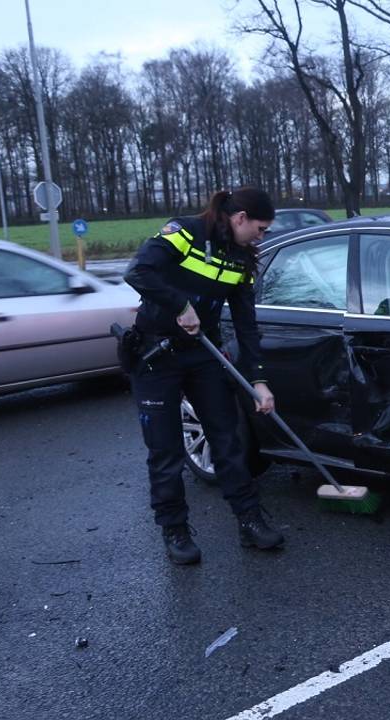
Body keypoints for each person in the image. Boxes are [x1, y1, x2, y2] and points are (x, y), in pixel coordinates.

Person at [123, 187, 283, 565]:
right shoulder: (184, 233)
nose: (261, 237)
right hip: (155, 355)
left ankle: (250, 520)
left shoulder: (242, 258)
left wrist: (259, 380)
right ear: (239, 217)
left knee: (227, 440)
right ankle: (174, 529)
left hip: (204, 355)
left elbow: (246, 324)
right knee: (166, 450)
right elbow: (138, 271)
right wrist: (181, 305)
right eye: (259, 229)